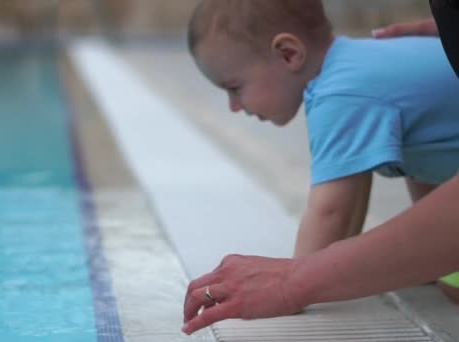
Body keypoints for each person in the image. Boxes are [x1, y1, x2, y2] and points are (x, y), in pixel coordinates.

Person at [182, 0, 459, 336]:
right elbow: (427, 159)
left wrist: (291, 285)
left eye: (235, 87)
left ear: (288, 53)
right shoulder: (357, 66)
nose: (234, 106)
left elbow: (332, 213)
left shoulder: (338, 94)